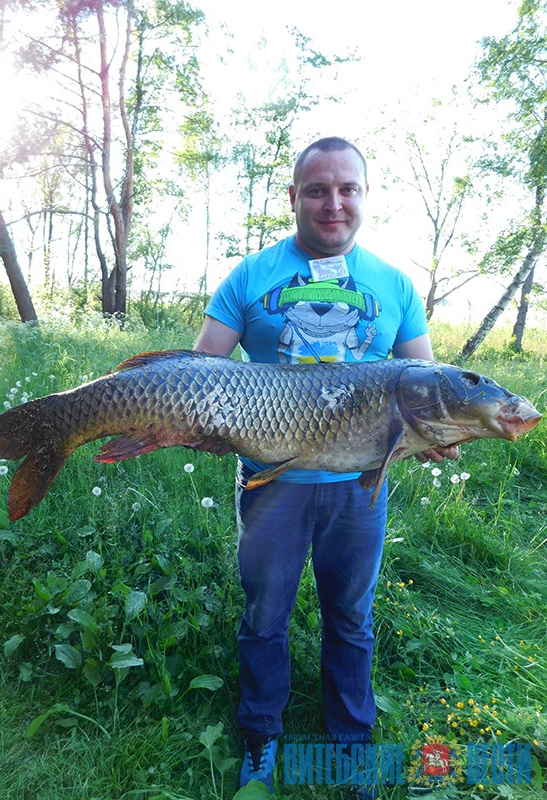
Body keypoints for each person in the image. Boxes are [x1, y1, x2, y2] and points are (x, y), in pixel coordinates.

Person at [194, 137, 457, 799]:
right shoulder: (250, 276)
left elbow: (424, 384)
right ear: (294, 198)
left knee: (350, 618)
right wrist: (195, 425)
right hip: (272, 482)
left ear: (363, 196)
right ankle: (260, 733)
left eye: (347, 189)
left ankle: (350, 742)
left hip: (358, 493)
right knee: (265, 614)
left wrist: (439, 433)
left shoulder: (394, 285)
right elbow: (199, 371)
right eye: (316, 189)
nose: (332, 202)